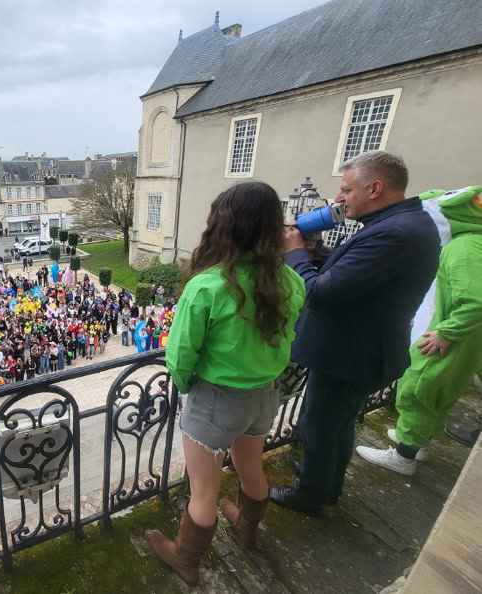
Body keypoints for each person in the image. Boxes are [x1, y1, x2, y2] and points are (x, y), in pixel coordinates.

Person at [147, 182, 304, 586]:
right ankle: (247, 529)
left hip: (217, 399)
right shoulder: (291, 279)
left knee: (204, 489)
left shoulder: (208, 286)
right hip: (265, 395)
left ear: (223, 225)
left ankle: (186, 558)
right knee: (252, 468)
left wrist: (187, 387)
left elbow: (180, 357)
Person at [270, 151, 440, 516]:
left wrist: (295, 253)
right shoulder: (403, 223)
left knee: (319, 426)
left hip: (348, 354)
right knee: (338, 425)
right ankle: (325, 480)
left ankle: (311, 496)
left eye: (346, 189)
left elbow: (319, 294)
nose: (338, 198)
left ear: (375, 187)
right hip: (364, 350)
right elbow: (356, 276)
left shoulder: (394, 233)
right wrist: (315, 253)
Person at [356, 185, 482, 474]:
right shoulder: (475, 242)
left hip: (450, 338)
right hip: (468, 339)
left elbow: (475, 302)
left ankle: (404, 457)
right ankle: (417, 442)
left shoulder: (462, 248)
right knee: (439, 392)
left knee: (417, 388)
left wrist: (447, 332)